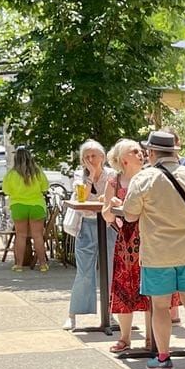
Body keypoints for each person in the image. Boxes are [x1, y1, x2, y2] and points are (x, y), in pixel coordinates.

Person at [121, 130, 185, 369]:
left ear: (151, 152)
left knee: (160, 307)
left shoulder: (144, 179)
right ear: (174, 152)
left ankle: (163, 358)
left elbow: (129, 215)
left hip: (158, 253)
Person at [103, 139, 179, 355]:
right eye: (134, 151)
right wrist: (112, 205)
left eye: (140, 150)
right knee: (125, 288)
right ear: (122, 159)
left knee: (152, 289)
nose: (141, 153)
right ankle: (124, 338)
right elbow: (106, 215)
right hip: (127, 243)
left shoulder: (150, 176)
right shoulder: (114, 181)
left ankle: (151, 338)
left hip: (150, 239)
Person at [66, 139, 115, 330]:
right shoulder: (79, 175)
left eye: (94, 156)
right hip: (87, 224)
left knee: (111, 270)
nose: (90, 159)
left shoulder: (112, 175)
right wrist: (91, 176)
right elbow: (82, 198)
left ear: (103, 157)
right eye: (86, 157)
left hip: (109, 225)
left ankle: (111, 313)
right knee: (84, 271)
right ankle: (73, 314)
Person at [2, 147, 50, 272]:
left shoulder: (11, 174)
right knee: (38, 236)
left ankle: (18, 265)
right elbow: (45, 187)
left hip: (18, 206)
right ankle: (43, 264)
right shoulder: (37, 172)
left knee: (21, 236)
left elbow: (6, 190)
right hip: (36, 205)